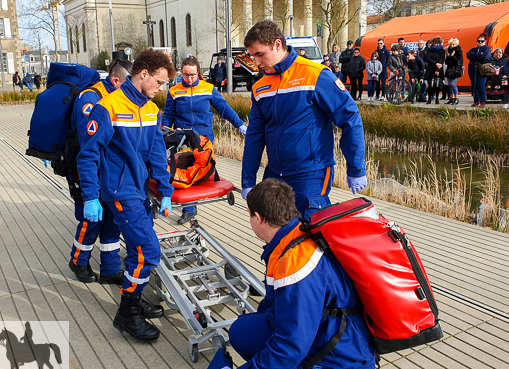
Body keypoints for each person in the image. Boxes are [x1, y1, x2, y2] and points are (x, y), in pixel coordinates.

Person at [209, 178, 376, 369]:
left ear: (258, 218)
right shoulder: (291, 236)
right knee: (241, 331)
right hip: (315, 338)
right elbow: (275, 309)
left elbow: (290, 345)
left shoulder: (296, 264)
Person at [77, 49, 175, 341]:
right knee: (149, 251)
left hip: (139, 189)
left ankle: (134, 297)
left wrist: (166, 190)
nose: (162, 88)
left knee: (136, 249)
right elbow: (88, 155)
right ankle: (126, 313)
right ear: (143, 74)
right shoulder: (108, 107)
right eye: (159, 81)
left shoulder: (151, 109)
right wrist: (91, 196)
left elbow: (158, 154)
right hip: (120, 191)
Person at [241, 20, 367, 219]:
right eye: (252, 56)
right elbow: (255, 136)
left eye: (260, 54)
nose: (256, 62)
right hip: (274, 172)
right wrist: (247, 181)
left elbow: (350, 118)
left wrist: (356, 167)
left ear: (277, 44)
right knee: (275, 233)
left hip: (310, 172)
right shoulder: (260, 88)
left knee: (310, 233)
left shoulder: (316, 75)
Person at [68, 59, 133, 285]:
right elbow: (90, 146)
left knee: (112, 220)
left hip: (110, 171)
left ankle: (110, 267)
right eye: (127, 83)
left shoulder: (117, 97)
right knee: (91, 220)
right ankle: (78, 261)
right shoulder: (90, 99)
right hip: (89, 169)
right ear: (115, 80)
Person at [162, 56, 246, 224]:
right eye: (185, 75)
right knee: (186, 171)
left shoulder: (208, 89)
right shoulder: (174, 91)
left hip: (204, 138)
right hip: (183, 138)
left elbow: (223, 108)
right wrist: (165, 134)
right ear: (181, 73)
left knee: (204, 168)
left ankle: (212, 189)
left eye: (193, 75)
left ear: (198, 72)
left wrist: (240, 125)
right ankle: (189, 209)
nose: (189, 79)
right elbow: (168, 116)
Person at [466, 33, 492, 107]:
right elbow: (468, 55)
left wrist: (475, 55)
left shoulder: (487, 48)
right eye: (479, 41)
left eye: (482, 41)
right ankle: (476, 101)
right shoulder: (473, 49)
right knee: (474, 85)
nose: (480, 42)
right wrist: (479, 54)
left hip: (482, 69)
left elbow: (486, 57)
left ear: (485, 41)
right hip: (473, 69)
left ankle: (483, 101)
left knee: (480, 85)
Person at [424, 36, 445, 105]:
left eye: (438, 43)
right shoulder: (429, 50)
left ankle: (437, 98)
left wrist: (438, 69)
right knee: (430, 85)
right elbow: (427, 58)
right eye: (435, 43)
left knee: (437, 85)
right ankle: (429, 98)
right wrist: (435, 64)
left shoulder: (442, 51)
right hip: (430, 68)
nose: (437, 45)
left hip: (438, 69)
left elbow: (441, 60)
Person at [444, 38, 463, 105]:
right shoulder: (448, 50)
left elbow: (458, 62)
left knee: (453, 84)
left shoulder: (459, 51)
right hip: (449, 69)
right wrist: (448, 56)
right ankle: (451, 98)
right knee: (449, 85)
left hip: (456, 70)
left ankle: (456, 98)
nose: (452, 46)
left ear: (456, 44)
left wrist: (452, 56)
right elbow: (446, 62)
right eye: (451, 44)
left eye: (453, 44)